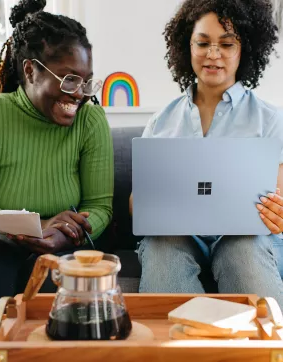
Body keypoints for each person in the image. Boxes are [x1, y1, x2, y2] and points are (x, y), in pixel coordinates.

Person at [0, 0, 113, 313]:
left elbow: (100, 207)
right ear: (30, 71)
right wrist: (36, 226)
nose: (80, 93)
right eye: (69, 79)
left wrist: (68, 233)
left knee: (57, 272)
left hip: (67, 243)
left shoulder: (90, 121)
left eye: (86, 80)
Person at [131, 0, 283, 305]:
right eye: (203, 43)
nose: (213, 54)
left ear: (245, 49)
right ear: (187, 45)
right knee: (161, 247)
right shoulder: (162, 121)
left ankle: (261, 350)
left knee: (243, 250)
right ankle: (178, 350)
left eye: (226, 44)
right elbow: (137, 203)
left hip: (247, 239)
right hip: (177, 238)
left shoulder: (271, 120)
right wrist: (151, 205)